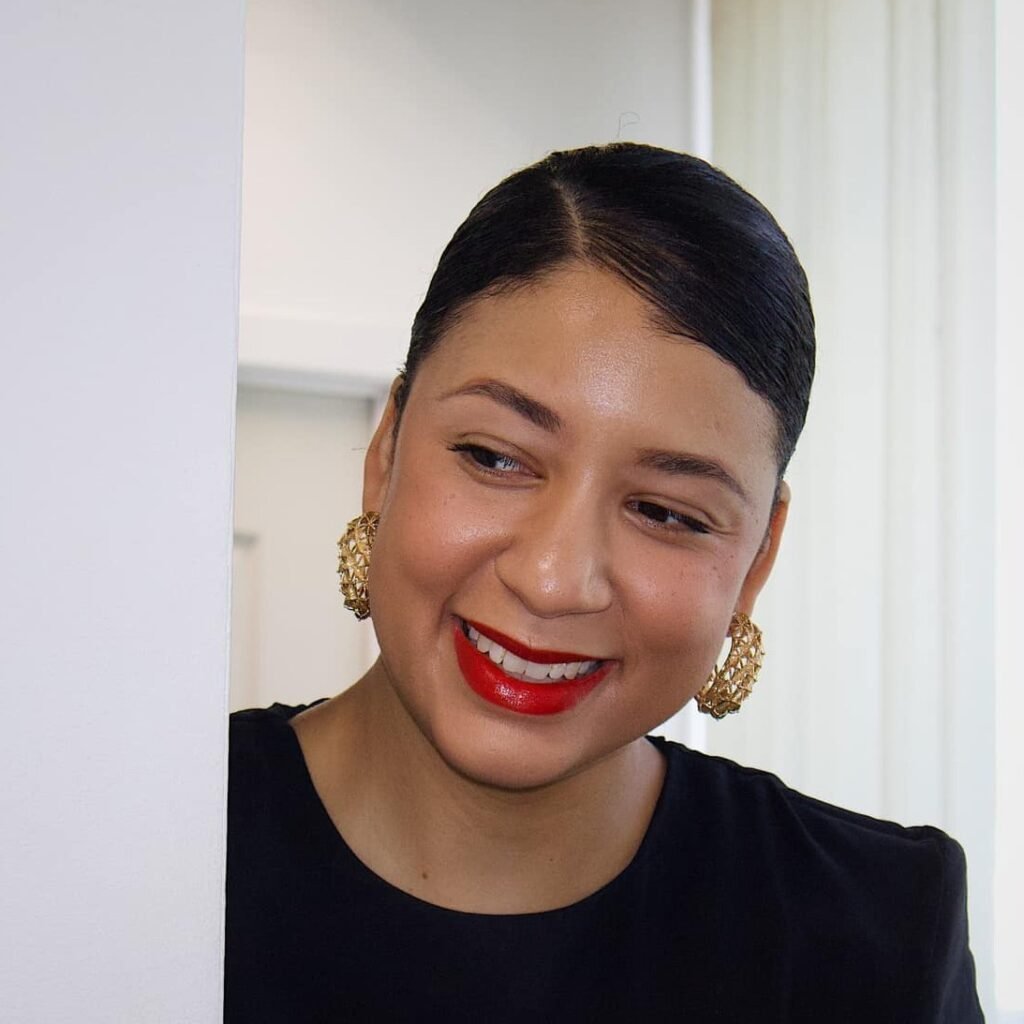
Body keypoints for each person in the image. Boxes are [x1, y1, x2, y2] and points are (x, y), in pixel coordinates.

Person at [224, 143, 983, 1021]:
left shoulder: (877, 934)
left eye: (666, 512)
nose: (554, 579)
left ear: (757, 560)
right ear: (385, 452)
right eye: (495, 456)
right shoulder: (127, 840)